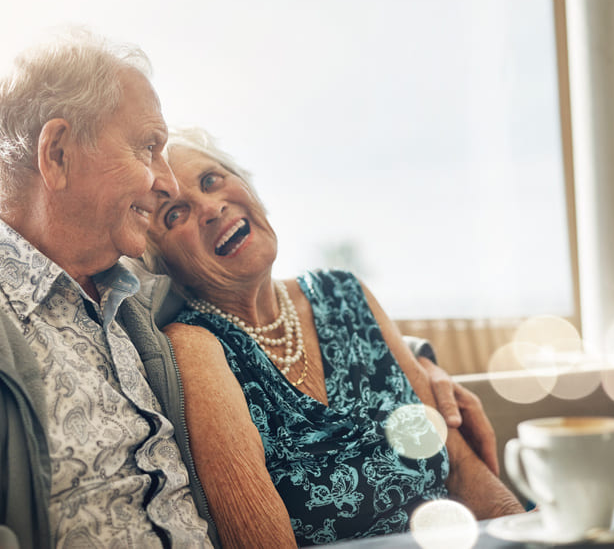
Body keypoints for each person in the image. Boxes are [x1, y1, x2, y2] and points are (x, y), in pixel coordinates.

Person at [0, 27, 489, 549]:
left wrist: (418, 364)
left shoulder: (131, 299)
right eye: (147, 147)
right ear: (55, 154)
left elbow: (261, 310)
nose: (165, 181)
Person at [143, 127, 524, 548]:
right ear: (162, 263)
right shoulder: (196, 347)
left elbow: (461, 469)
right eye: (174, 214)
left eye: (211, 180)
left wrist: (528, 533)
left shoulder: (345, 293)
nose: (211, 207)